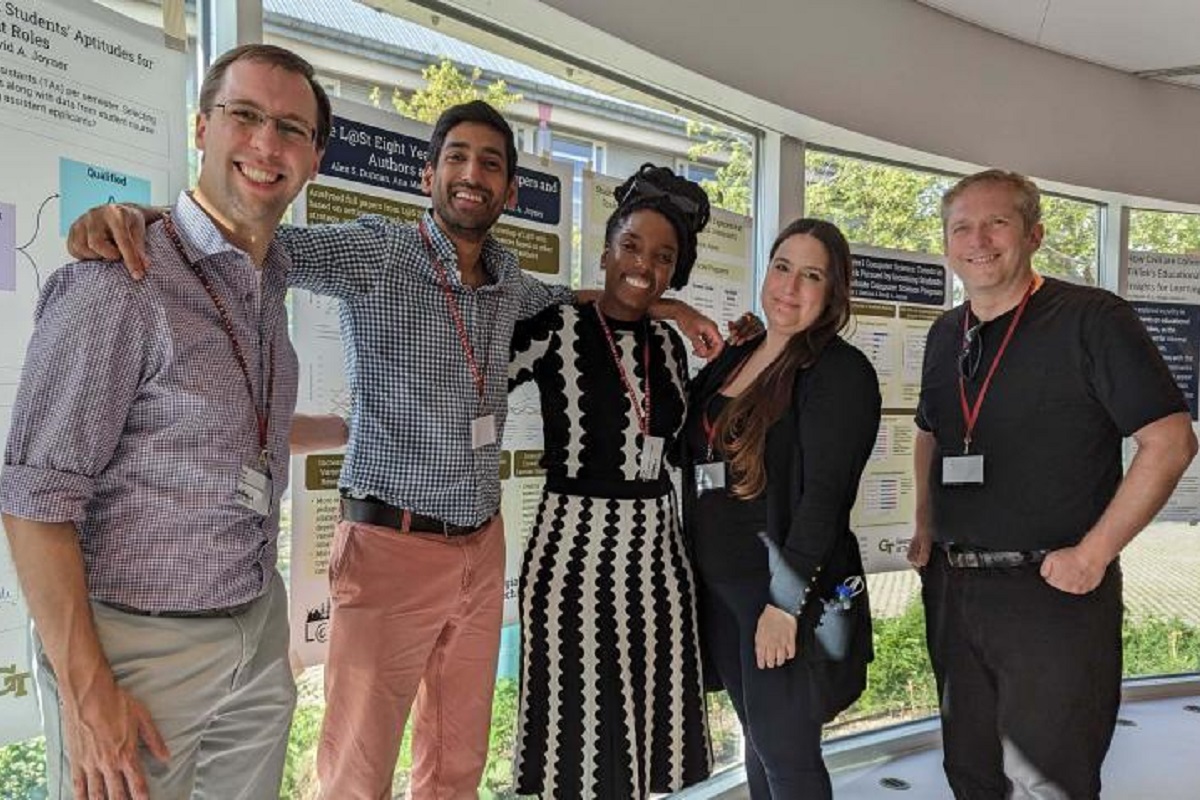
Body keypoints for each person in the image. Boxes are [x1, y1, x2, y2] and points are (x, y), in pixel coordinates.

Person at [66, 102, 721, 800]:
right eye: (459, 157)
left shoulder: (511, 283)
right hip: (390, 549)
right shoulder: (379, 252)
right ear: (429, 172)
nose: (473, 174)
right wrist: (146, 219)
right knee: (358, 769)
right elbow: (257, 242)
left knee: (457, 763)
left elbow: (600, 298)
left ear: (508, 192)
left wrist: (670, 308)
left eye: (491, 164)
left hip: (481, 545)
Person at [1, 44, 332, 800]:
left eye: (290, 128)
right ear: (202, 127)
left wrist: (356, 431)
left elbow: (230, 430)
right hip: (138, 647)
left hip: (255, 628)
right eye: (244, 115)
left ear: (313, 158)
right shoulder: (119, 283)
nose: (264, 143)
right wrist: (88, 694)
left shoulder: (268, 277)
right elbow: (33, 503)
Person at [907, 169, 1197, 799]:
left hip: (1053, 594)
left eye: (997, 223)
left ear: (1033, 234)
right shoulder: (943, 334)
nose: (978, 239)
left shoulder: (1092, 319)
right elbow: (929, 430)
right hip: (955, 591)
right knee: (971, 771)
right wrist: (925, 524)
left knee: (1050, 782)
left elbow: (1171, 441)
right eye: (962, 227)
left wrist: (1094, 555)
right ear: (946, 243)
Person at [508, 164, 714, 798]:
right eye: (630, 246)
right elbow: (480, 361)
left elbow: (682, 442)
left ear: (674, 270)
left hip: (657, 552)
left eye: (662, 256)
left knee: (649, 721)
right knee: (577, 725)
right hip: (573, 549)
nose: (643, 265)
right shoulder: (556, 328)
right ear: (604, 252)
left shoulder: (670, 347)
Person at [680, 218, 880, 799]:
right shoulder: (739, 355)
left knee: (789, 757)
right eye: (782, 267)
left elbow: (825, 498)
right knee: (759, 745)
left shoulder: (839, 372)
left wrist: (783, 605)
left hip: (779, 599)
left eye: (811, 275)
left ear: (834, 290)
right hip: (723, 592)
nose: (790, 287)